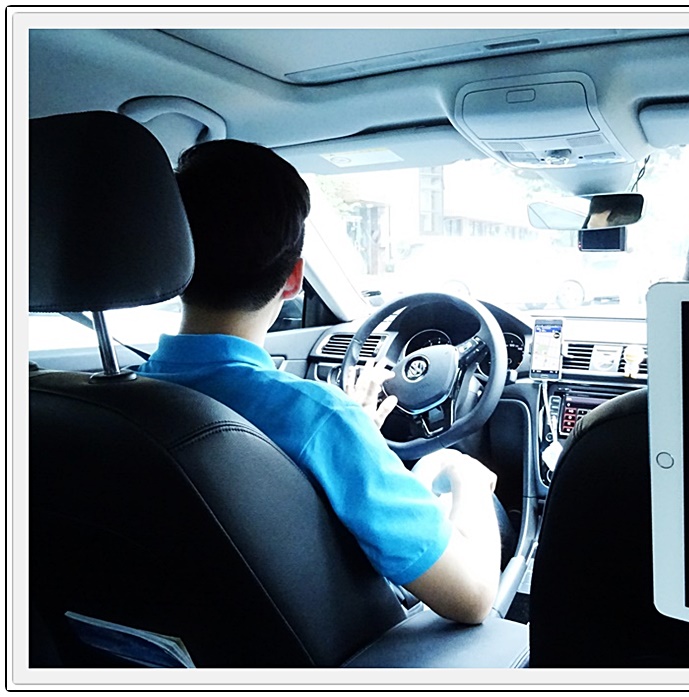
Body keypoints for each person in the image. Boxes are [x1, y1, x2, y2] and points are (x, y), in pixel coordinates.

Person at [137, 139, 501, 625]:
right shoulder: (320, 420)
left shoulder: (117, 401)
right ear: (294, 279)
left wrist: (356, 435)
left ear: (174, 263)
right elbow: (473, 598)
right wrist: (466, 480)